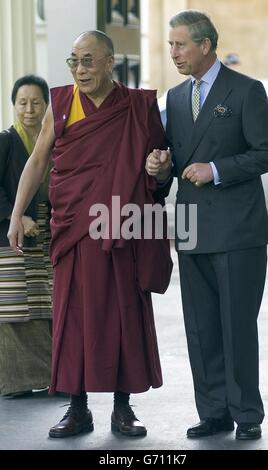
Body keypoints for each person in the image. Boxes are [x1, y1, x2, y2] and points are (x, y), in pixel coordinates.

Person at [8, 31, 172, 438]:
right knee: (73, 317)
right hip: (74, 232)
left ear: (109, 62)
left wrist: (159, 167)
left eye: (87, 61)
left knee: (122, 316)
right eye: (73, 61)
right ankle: (77, 408)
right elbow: (37, 162)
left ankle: (122, 408)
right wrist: (15, 214)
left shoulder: (137, 106)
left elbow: (160, 169)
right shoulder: (61, 103)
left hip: (121, 229)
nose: (79, 70)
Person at [146, 10, 268, 440]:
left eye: (180, 44)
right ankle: (214, 412)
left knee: (236, 325)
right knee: (201, 328)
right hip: (191, 230)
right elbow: (175, 164)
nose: (174, 53)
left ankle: (247, 415)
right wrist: (160, 167)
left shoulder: (246, 91)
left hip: (238, 233)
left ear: (206, 45)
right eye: (170, 45)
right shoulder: (176, 98)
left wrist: (217, 169)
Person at [0, 75, 52, 397]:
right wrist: (15, 215)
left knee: (49, 305)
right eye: (23, 102)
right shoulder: (5, 141)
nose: (29, 109)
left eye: (36, 102)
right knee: (14, 309)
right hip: (11, 238)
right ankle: (15, 381)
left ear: (46, 105)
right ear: (14, 105)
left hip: (50, 233)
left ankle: (52, 377)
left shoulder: (56, 142)